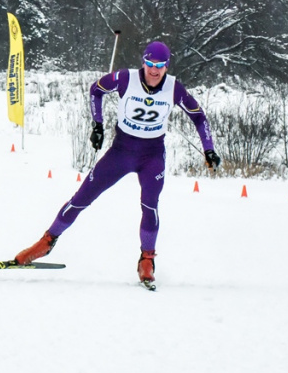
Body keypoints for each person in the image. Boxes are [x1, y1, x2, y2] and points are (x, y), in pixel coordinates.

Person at [13, 41, 221, 287]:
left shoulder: (174, 88)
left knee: (150, 206)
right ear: (143, 62)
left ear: (167, 66)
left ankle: (147, 259)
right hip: (121, 151)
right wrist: (97, 125)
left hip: (152, 155)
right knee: (81, 198)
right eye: (150, 64)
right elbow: (95, 90)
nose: (154, 71)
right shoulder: (126, 78)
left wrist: (209, 149)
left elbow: (198, 116)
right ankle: (46, 242)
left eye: (160, 66)